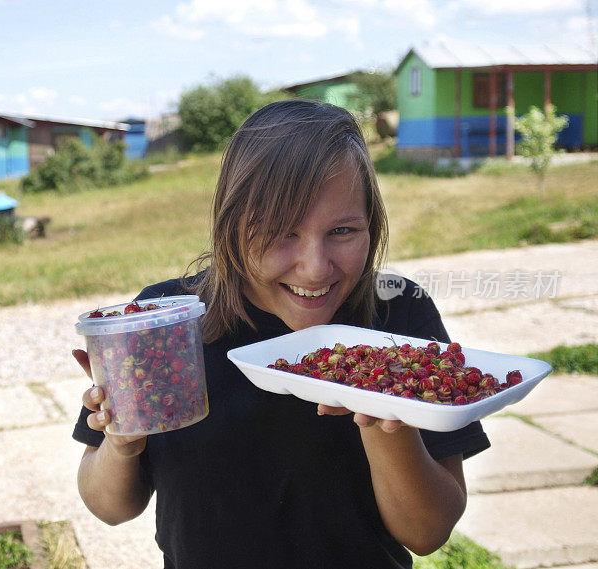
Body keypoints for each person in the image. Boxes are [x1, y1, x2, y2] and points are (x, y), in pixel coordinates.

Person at [72, 99, 490, 569]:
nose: (315, 268)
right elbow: (109, 506)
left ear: (372, 225)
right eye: (280, 233)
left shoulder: (398, 317)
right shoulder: (167, 326)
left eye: (343, 231)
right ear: (231, 229)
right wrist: (122, 441)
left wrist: (383, 413)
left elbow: (427, 532)